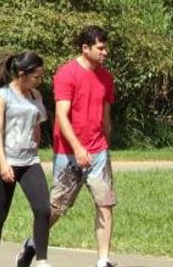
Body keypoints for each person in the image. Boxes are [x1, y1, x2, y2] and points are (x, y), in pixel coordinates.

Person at [26, 25, 116, 267]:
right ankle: (33, 244)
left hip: (98, 151)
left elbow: (106, 116)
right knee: (56, 207)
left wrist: (106, 143)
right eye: (100, 47)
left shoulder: (106, 77)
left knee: (105, 202)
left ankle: (103, 259)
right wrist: (77, 148)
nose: (105, 52)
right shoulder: (67, 74)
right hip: (69, 153)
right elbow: (61, 117)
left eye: (105, 47)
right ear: (85, 48)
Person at [0, 51, 54, 267]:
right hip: (4, 162)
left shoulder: (36, 96)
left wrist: (36, 143)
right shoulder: (2, 96)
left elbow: (37, 123)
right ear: (22, 74)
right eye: (36, 77)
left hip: (30, 162)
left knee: (43, 209)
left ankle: (41, 260)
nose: (39, 81)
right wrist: (4, 164)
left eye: (41, 77)